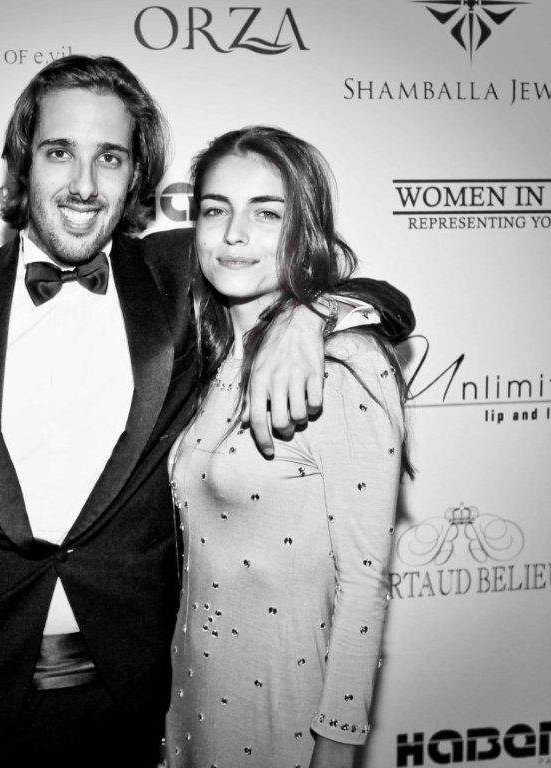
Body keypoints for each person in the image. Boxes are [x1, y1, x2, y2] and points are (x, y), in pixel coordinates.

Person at [0, 57, 414, 768]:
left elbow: (335, 270)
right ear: (23, 163)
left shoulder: (179, 274)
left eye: (110, 158)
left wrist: (312, 317)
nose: (85, 185)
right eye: (59, 152)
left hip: (131, 700)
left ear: (136, 177)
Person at [165, 126, 411, 768]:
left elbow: (365, 584)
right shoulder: (212, 353)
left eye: (266, 213)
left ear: (305, 229)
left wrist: (337, 746)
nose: (234, 234)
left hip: (285, 707)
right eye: (215, 210)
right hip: (194, 698)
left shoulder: (345, 365)